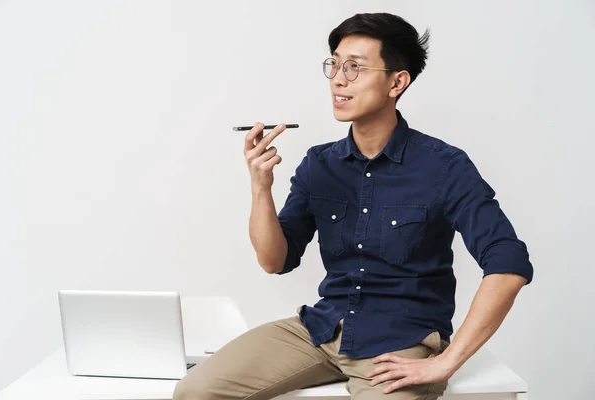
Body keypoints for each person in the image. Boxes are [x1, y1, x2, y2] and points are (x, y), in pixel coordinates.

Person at [173, 12, 533, 400]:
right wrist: (261, 187)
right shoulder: (319, 163)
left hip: (400, 343)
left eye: (355, 68)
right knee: (194, 391)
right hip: (322, 329)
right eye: (335, 65)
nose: (339, 79)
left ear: (397, 82)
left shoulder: (444, 166)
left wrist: (447, 361)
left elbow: (508, 262)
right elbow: (274, 260)